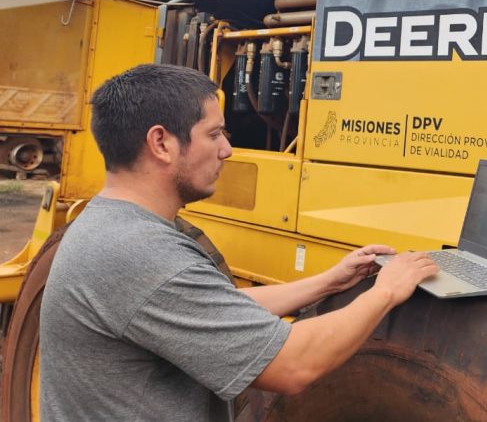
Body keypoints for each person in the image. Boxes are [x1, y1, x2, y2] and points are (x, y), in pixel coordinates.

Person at [39, 63, 438, 421]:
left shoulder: (111, 225)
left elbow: (210, 308)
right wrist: (386, 291)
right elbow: (293, 365)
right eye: (214, 134)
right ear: (161, 143)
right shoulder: (141, 253)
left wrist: (328, 282)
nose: (227, 150)